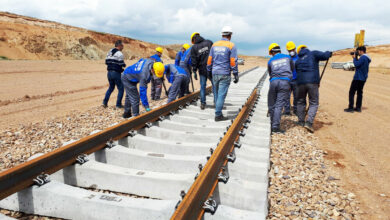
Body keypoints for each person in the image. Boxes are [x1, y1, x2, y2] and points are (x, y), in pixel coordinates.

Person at [295, 45, 332, 132]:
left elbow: (296, 71)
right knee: (314, 102)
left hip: (300, 83)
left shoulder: (298, 60)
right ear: (306, 48)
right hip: (312, 82)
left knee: (300, 101)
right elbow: (325, 56)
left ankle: (300, 121)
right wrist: (329, 53)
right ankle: (309, 123)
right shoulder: (313, 54)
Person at [207, 26, 239, 121]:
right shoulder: (231, 45)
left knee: (216, 94)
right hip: (224, 73)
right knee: (221, 94)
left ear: (222, 34)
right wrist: (236, 74)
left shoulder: (214, 45)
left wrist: (209, 70)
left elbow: (209, 60)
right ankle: (218, 114)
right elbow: (233, 61)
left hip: (214, 72)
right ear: (230, 35)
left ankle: (218, 111)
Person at [267, 43, 294, 133]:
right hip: (285, 82)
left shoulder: (270, 61)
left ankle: (271, 123)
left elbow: (270, 73)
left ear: (271, 52)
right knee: (279, 105)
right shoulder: (288, 57)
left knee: (271, 103)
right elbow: (292, 68)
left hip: (274, 82)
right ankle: (275, 127)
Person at [344, 46, 371, 113]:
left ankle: (351, 108)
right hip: (363, 78)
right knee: (359, 92)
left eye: (358, 51)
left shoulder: (363, 57)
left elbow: (356, 64)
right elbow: (360, 65)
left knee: (351, 92)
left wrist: (354, 58)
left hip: (358, 78)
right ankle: (358, 108)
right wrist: (356, 57)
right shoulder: (367, 58)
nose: (357, 53)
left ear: (361, 51)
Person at [190, 32, 213, 109]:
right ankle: (217, 102)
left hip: (202, 70)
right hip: (211, 68)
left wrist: (194, 71)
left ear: (193, 39)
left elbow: (194, 61)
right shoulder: (209, 42)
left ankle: (203, 103)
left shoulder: (194, 47)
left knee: (203, 86)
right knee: (215, 85)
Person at [102, 40, 126, 108]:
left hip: (109, 73)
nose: (123, 47)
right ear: (119, 46)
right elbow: (121, 64)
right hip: (116, 73)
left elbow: (106, 62)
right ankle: (118, 105)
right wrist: (123, 66)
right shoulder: (120, 54)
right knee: (121, 88)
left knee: (111, 88)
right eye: (122, 45)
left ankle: (104, 102)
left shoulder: (109, 51)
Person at [283, 41, 299, 115]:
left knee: (296, 96)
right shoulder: (287, 58)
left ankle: (296, 110)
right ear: (287, 51)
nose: (291, 51)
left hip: (296, 80)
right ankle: (287, 111)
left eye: (292, 50)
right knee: (286, 96)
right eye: (289, 50)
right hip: (288, 80)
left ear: (295, 49)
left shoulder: (299, 57)